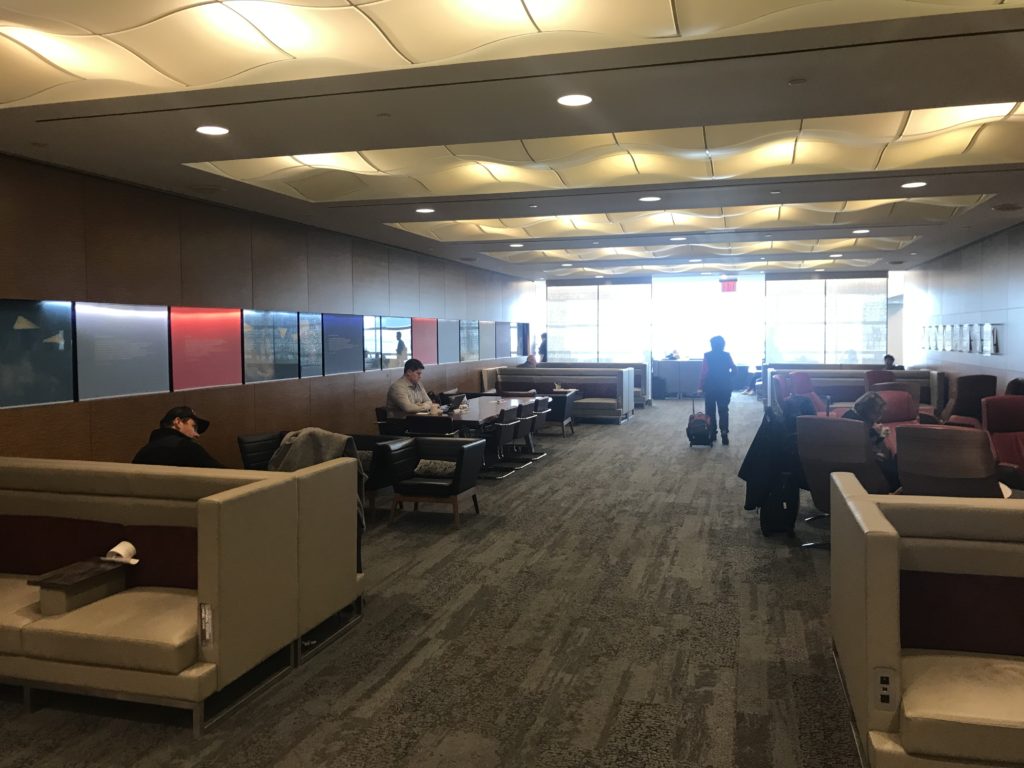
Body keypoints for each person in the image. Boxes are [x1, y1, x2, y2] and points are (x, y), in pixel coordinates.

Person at [841, 391, 900, 491]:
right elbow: (860, 448)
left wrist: (879, 435)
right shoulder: (857, 424)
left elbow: (867, 444)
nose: (880, 416)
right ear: (868, 410)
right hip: (863, 466)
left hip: (859, 460)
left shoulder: (850, 414)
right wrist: (877, 435)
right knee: (897, 465)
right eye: (878, 413)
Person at [132, 406, 222, 468]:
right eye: (194, 427)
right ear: (178, 422)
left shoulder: (142, 453)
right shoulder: (187, 448)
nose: (197, 434)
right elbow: (223, 474)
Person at [698, 335, 736, 445]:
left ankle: (712, 434)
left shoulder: (707, 356)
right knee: (723, 410)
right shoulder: (727, 355)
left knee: (710, 411)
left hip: (710, 388)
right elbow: (734, 370)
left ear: (712, 345)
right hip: (725, 387)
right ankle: (724, 433)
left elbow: (704, 373)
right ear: (723, 345)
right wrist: (728, 376)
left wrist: (700, 387)